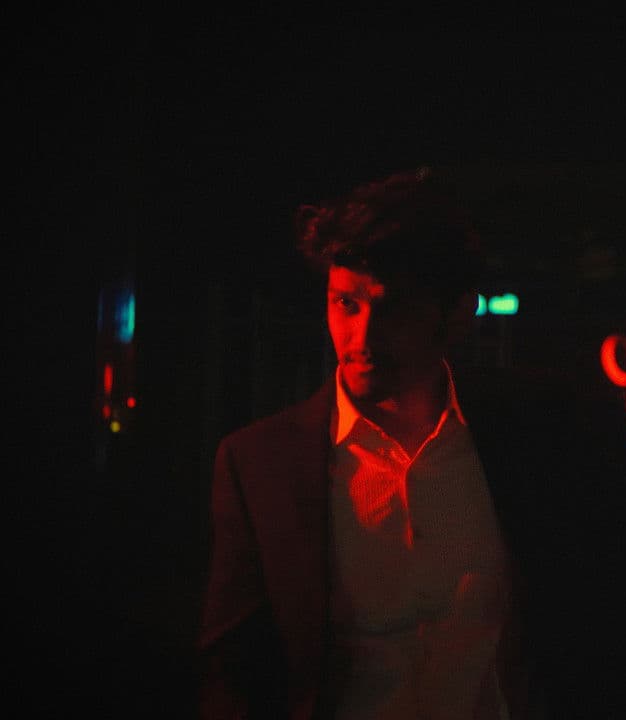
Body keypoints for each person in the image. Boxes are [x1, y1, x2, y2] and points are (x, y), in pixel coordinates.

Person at [198, 168, 544, 719]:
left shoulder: (526, 441)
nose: (361, 338)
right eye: (346, 304)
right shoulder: (259, 465)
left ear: (458, 314)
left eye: (393, 308)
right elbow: (233, 672)